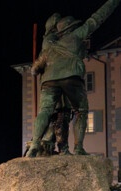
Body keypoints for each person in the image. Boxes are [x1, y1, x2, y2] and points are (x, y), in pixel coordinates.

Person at [26, 0, 120, 157]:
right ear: (71, 28)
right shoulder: (77, 35)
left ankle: (35, 144)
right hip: (71, 78)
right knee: (81, 110)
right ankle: (79, 148)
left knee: (45, 111)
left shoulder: (49, 47)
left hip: (48, 81)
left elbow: (34, 69)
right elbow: (98, 17)